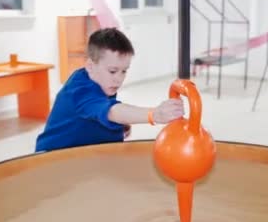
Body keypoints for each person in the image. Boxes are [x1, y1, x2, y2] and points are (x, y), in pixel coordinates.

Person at [35, 27, 184, 152]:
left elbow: (102, 111)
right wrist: (155, 114)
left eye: (124, 71)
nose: (118, 79)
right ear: (90, 66)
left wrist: (120, 123)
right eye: (113, 71)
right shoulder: (80, 91)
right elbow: (112, 111)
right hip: (53, 158)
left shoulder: (100, 80)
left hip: (85, 155)